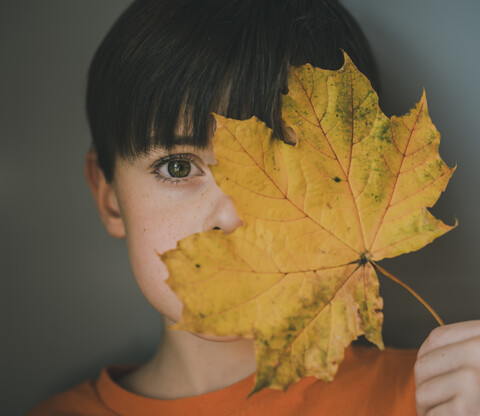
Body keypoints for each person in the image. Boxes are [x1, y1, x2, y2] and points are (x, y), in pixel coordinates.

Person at [28, 0, 480, 415]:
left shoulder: (435, 397)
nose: (232, 216)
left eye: (285, 168)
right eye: (179, 168)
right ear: (109, 198)